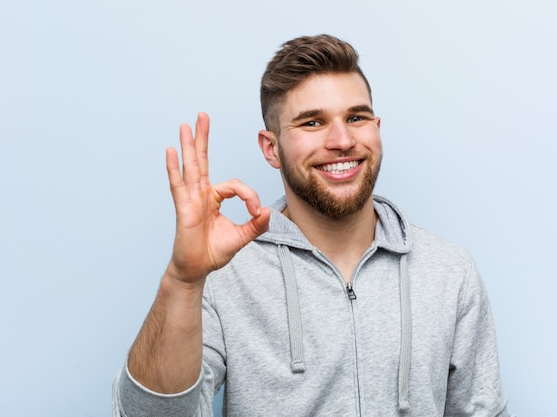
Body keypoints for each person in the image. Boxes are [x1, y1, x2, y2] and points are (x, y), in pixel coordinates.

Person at [112, 34, 512, 416]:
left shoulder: (448, 271)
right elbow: (149, 415)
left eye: (356, 117)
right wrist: (183, 281)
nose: (342, 140)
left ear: (377, 129)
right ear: (272, 148)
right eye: (312, 123)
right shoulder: (224, 277)